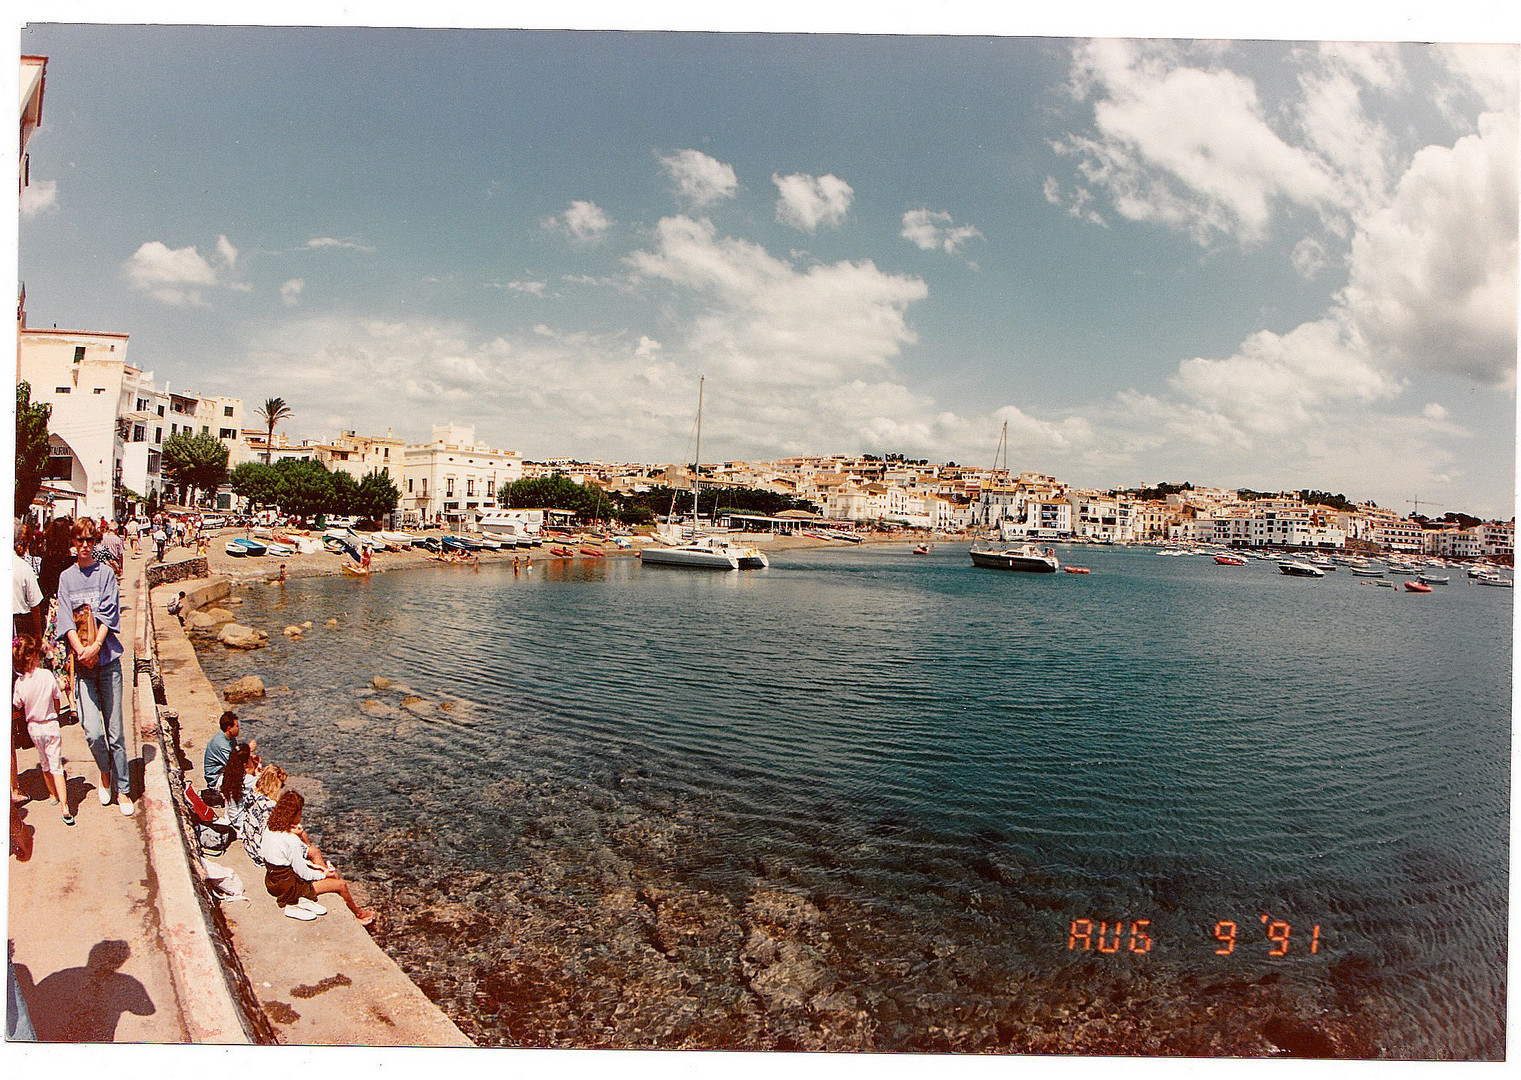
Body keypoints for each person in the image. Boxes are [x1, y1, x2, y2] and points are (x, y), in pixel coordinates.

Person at [55, 518, 132, 816]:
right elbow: (65, 618)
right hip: (83, 665)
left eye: (90, 540)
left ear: (95, 541)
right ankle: (105, 771)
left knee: (115, 732)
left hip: (108, 661)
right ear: (73, 543)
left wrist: (96, 647)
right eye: (80, 540)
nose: (85, 545)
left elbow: (108, 615)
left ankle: (123, 789)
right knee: (92, 731)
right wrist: (80, 651)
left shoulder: (106, 575)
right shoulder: (66, 578)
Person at [258, 791, 376, 925]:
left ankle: (351, 908)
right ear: (294, 815)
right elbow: (303, 873)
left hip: (273, 881)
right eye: (300, 814)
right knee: (340, 884)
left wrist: (321, 870)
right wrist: (323, 874)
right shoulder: (291, 840)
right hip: (289, 888)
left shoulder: (270, 828)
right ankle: (358, 914)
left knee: (331, 876)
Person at [11, 635, 73, 826]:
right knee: (57, 766)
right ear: (34, 655)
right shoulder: (46, 675)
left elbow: (17, 704)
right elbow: (56, 694)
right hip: (51, 725)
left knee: (44, 762)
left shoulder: (20, 684)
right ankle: (65, 807)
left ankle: (52, 795)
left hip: (34, 728)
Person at [239, 763, 287, 866]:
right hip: (259, 853)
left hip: (248, 842)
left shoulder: (253, 793)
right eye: (282, 785)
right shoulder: (270, 806)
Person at [203, 710, 254, 792]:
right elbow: (235, 764)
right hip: (216, 779)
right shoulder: (221, 744)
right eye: (237, 726)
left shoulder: (230, 738)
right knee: (251, 781)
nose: (239, 729)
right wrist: (249, 750)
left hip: (224, 771)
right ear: (229, 728)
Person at [13, 528, 44, 639]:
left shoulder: (25, 566)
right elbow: (35, 604)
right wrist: (38, 633)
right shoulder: (24, 567)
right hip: (20, 625)